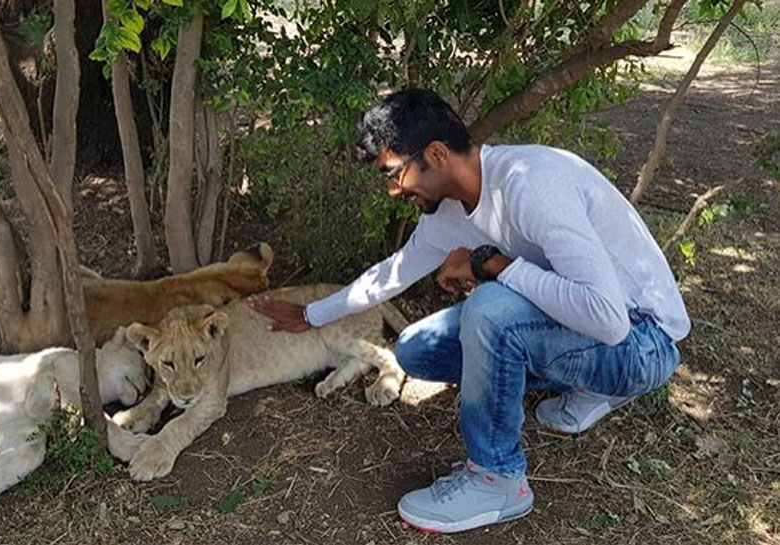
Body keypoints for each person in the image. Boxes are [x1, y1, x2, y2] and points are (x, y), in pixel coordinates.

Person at [246, 88, 689, 534]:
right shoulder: (447, 212)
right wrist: (309, 316)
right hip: (590, 329)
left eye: (394, 174)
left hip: (642, 341)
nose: (392, 191)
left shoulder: (530, 183)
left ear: (436, 154)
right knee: (418, 350)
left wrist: (490, 265)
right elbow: (393, 273)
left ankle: (498, 479)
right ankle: (584, 382)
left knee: (491, 308)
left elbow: (607, 320)